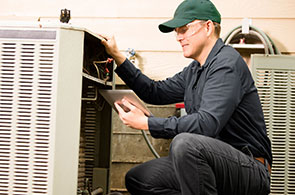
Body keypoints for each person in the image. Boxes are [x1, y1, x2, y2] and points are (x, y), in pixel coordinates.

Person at [101, 0, 272, 194]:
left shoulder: (226, 64)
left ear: (208, 27)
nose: (178, 37)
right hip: (211, 164)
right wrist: (117, 56)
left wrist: (148, 123)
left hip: (248, 168)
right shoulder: (194, 70)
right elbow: (154, 91)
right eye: (177, 32)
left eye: (184, 29)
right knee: (140, 179)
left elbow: (207, 124)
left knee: (185, 144)